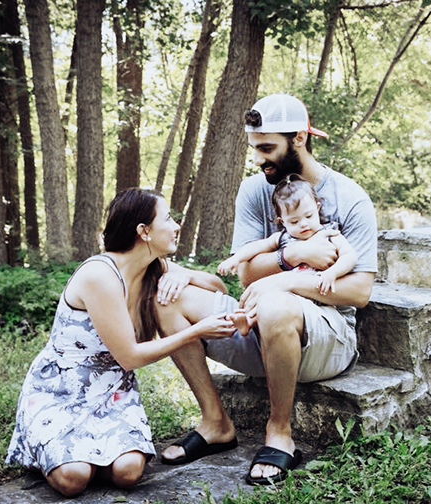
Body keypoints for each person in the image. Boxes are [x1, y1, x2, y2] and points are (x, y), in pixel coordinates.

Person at [156, 93, 377, 485]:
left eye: (266, 148)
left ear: (298, 140)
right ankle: (215, 422)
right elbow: (246, 276)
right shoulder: (255, 191)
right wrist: (296, 255)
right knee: (167, 299)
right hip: (257, 328)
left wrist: (287, 280)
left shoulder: (351, 198)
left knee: (275, 304)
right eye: (254, 148)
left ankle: (280, 432)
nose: (258, 158)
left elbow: (359, 291)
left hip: (325, 338)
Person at [5, 188, 236, 497]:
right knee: (74, 479)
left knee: (128, 474)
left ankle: (87, 453)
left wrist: (187, 275)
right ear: (144, 231)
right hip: (61, 392)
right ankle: (62, 450)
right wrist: (195, 331)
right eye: (168, 218)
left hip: (113, 393)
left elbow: (218, 288)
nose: (176, 225)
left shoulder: (153, 268)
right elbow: (129, 357)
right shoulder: (100, 275)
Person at [217, 173, 357, 332]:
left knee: (279, 305)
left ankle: (250, 320)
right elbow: (257, 246)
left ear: (317, 208)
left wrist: (332, 273)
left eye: (309, 216)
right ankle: (247, 320)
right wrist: (236, 259)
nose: (304, 224)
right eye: (294, 221)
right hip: (286, 295)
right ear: (282, 221)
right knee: (268, 298)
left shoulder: (329, 234)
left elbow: (349, 256)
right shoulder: (283, 237)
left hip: (315, 297)